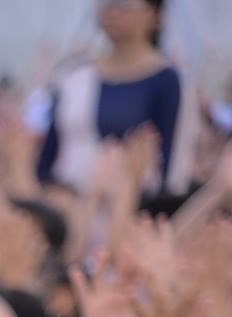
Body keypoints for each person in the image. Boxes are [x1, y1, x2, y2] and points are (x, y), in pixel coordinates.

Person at [39, 0, 200, 194]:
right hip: (69, 201)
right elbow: (51, 148)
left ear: (155, 15)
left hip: (132, 206)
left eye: (123, 6)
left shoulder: (167, 81)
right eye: (106, 5)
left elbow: (173, 163)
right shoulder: (76, 75)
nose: (112, 13)